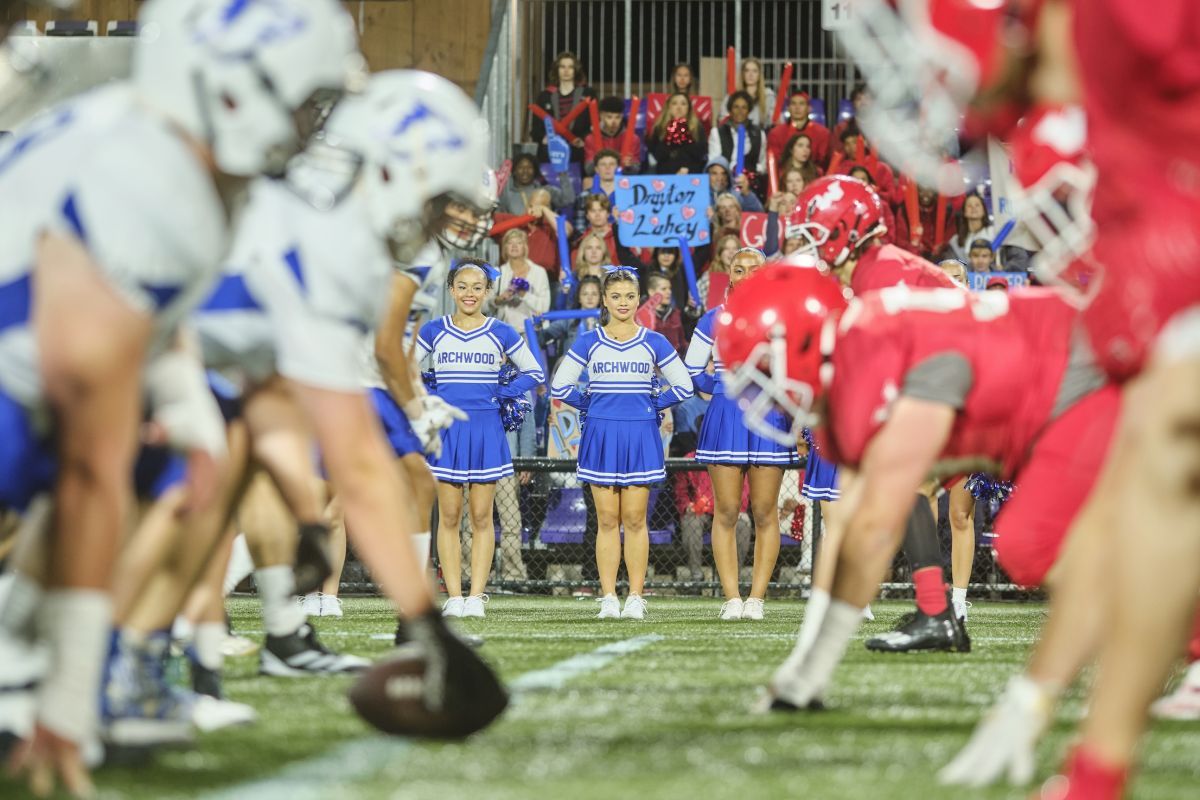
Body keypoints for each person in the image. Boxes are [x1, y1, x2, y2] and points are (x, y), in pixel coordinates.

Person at [0, 0, 363, 789]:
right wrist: (67, 713)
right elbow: (90, 462)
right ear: (236, 89)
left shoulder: (150, 148)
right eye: (305, 103)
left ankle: (12, 669)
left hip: (26, 373)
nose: (310, 127)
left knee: (166, 458)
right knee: (121, 467)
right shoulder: (153, 188)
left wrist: (188, 409)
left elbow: (149, 324)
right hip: (18, 387)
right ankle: (49, 683)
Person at [717, 264, 1116, 718]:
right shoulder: (855, 356)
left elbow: (873, 528)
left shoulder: (880, 348)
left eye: (766, 367)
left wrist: (807, 673)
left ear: (804, 342)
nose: (766, 389)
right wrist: (806, 668)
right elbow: (850, 525)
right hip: (1040, 389)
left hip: (1082, 372)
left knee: (1032, 545)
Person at [550, 267, 694, 620]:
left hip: (640, 434)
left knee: (635, 519)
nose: (623, 303)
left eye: (630, 296)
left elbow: (684, 385)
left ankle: (635, 596)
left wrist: (652, 404)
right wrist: (591, 404)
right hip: (601, 434)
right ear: (604, 300)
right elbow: (559, 386)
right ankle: (609, 595)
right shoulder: (588, 341)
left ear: (638, 298)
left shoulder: (653, 341)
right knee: (607, 520)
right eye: (615, 296)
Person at [418, 260, 545, 618]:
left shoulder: (500, 331)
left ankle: (476, 595)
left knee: (481, 516)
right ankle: (454, 596)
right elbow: (405, 368)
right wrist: (428, 396)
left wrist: (501, 392)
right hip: (448, 430)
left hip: (487, 429)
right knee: (448, 515)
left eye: (477, 287)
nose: (470, 293)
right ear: (451, 289)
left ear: (487, 291)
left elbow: (534, 372)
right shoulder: (433, 330)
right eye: (462, 286)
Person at [684, 248, 794, 620]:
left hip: (769, 418)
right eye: (738, 269)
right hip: (726, 417)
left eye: (754, 269)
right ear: (729, 275)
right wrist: (718, 387)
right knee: (727, 510)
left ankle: (757, 599)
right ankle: (732, 598)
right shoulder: (712, 320)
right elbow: (690, 370)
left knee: (765, 512)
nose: (746, 275)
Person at [531, 50, 596, 165]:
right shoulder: (545, 96)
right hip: (551, 147)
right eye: (562, 67)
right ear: (557, 70)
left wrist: (584, 139)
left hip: (578, 147)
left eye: (570, 67)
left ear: (576, 70)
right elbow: (535, 128)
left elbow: (594, 123)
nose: (566, 71)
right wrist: (543, 138)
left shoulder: (588, 94)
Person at [492, 229, 552, 331]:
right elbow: (485, 306)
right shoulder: (497, 273)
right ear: (505, 247)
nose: (514, 246)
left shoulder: (539, 272)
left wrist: (525, 295)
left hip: (533, 331)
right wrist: (499, 299)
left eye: (519, 243)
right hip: (506, 330)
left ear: (525, 247)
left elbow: (544, 307)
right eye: (510, 243)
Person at [709, 92, 768, 180]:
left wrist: (749, 173)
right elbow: (714, 162)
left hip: (751, 181)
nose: (740, 111)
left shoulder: (759, 134)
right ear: (730, 109)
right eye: (736, 107)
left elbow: (763, 164)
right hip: (725, 180)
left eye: (744, 107)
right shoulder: (717, 132)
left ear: (749, 110)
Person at [646, 92, 707, 175]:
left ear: (688, 108)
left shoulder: (697, 128)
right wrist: (670, 135)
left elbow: (700, 154)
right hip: (665, 175)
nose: (679, 107)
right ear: (669, 107)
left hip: (692, 175)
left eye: (683, 104)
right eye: (674, 103)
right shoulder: (659, 127)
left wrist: (684, 133)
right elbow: (657, 155)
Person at [498, 152, 576, 216]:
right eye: (520, 167)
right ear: (514, 171)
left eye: (529, 167)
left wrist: (562, 173)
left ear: (535, 171)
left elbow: (569, 200)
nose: (525, 171)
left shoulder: (545, 190)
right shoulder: (506, 194)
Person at [768, 91, 832, 167]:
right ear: (788, 108)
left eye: (801, 104)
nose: (797, 107)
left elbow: (823, 161)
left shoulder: (822, 133)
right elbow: (775, 161)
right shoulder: (776, 133)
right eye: (793, 104)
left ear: (809, 108)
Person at [584, 97, 641, 173]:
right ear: (601, 116)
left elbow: (636, 169)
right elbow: (588, 170)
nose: (614, 122)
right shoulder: (591, 139)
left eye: (618, 117)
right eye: (609, 117)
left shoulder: (633, 138)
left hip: (623, 180)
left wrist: (630, 166)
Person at [721, 57, 775, 128]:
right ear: (742, 74)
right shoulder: (733, 95)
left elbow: (773, 120)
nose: (750, 74)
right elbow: (723, 117)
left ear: (759, 75)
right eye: (747, 71)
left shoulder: (768, 95)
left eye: (754, 71)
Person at [646, 273, 685, 357]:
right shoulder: (640, 316)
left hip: (675, 364)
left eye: (669, 288)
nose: (669, 292)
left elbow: (682, 345)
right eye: (664, 289)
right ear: (651, 292)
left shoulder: (675, 313)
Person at [949, 193, 996, 262]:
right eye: (969, 205)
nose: (973, 208)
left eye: (977, 205)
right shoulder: (955, 240)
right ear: (964, 212)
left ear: (984, 211)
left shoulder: (994, 232)